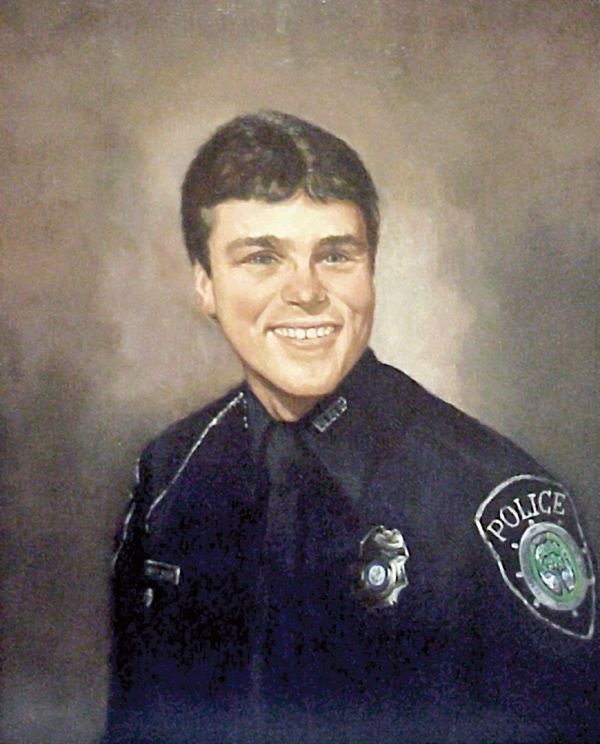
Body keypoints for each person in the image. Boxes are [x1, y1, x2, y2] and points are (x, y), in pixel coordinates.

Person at [107, 112, 598, 742]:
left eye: (335, 255)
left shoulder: (489, 499)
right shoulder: (170, 475)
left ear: (372, 269)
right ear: (205, 284)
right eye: (262, 257)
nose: (306, 292)